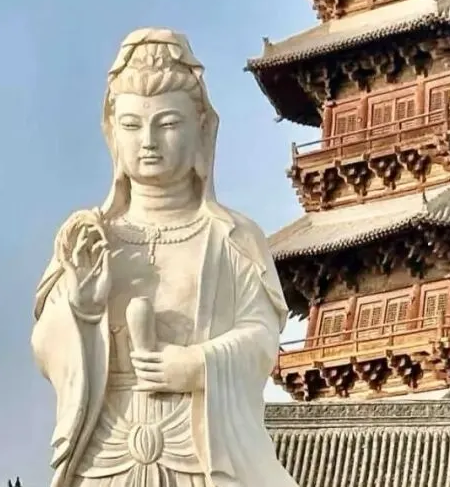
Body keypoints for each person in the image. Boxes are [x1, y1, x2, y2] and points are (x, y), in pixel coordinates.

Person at [32, 28, 298, 487]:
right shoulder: (87, 239)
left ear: (202, 131)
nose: (149, 141)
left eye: (168, 124)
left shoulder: (231, 238)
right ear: (112, 134)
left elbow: (261, 339)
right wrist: (81, 310)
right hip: (106, 453)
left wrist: (200, 365)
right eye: (132, 125)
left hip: (199, 452)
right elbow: (45, 346)